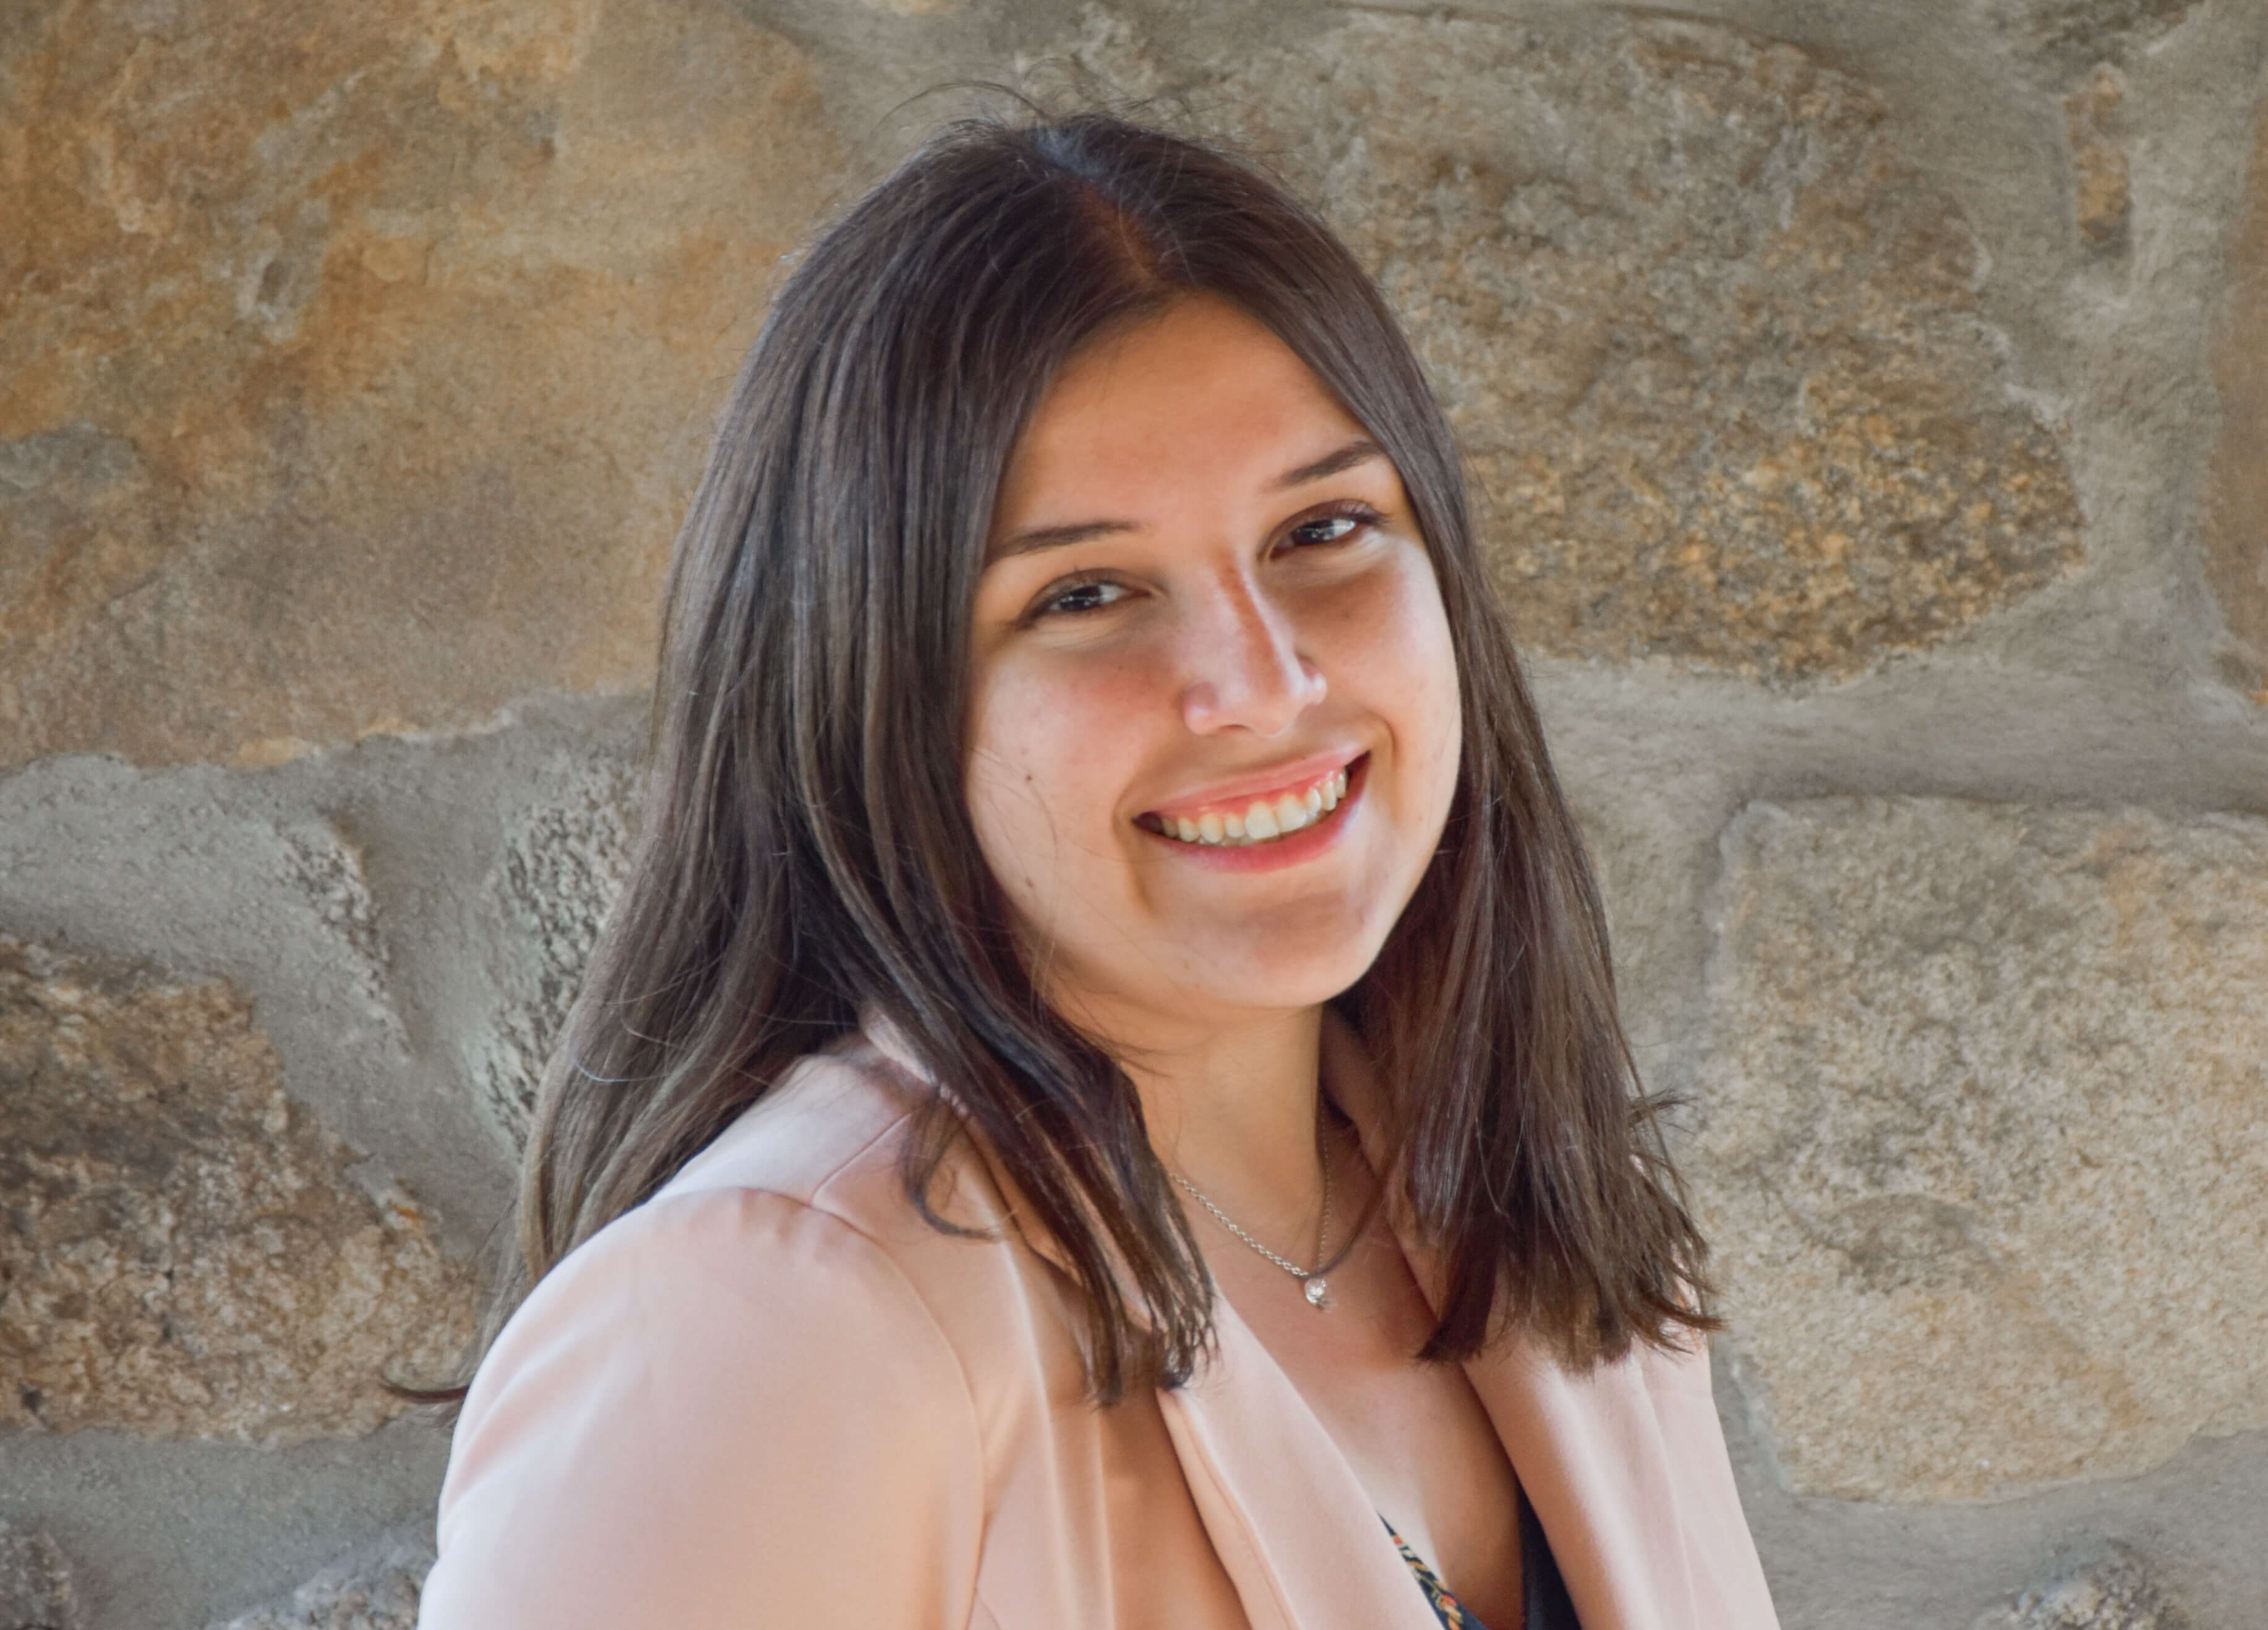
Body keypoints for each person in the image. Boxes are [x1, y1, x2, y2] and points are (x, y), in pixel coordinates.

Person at [414, 108, 1779, 1630]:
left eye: (1326, 527)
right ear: (878, 693)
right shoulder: (770, 1321)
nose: (1261, 686)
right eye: (1086, 592)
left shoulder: (1545, 1231)